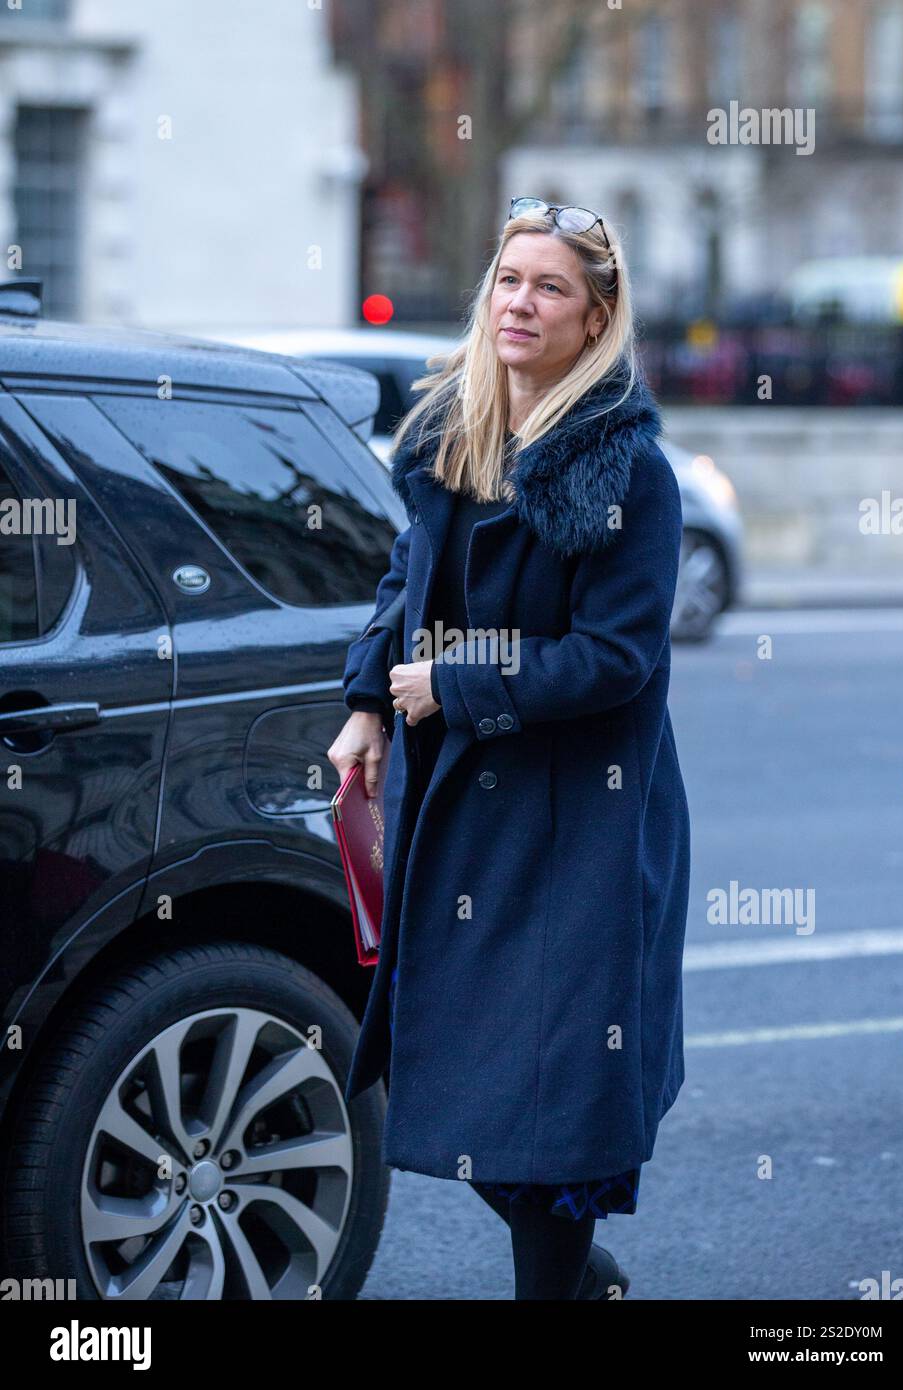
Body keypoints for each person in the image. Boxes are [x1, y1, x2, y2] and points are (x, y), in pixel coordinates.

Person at [328, 196, 690, 1300]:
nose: (520, 303)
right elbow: (407, 585)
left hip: (583, 822)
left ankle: (564, 1290)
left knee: (559, 1097)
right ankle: (586, 1288)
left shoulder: (628, 474)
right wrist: (367, 705)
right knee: (461, 1072)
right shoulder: (455, 435)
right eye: (508, 279)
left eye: (551, 287)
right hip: (466, 810)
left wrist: (460, 685)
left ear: (596, 317)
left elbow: (617, 659)